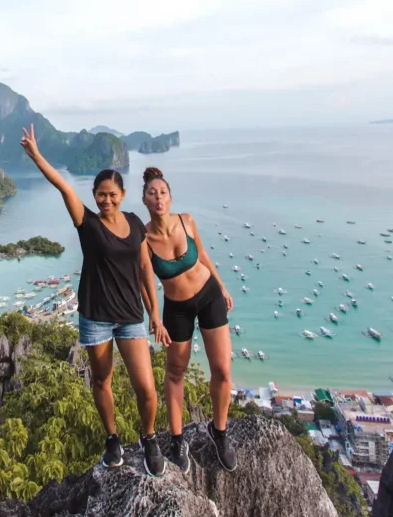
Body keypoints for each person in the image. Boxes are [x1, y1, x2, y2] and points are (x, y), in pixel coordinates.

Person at [20, 125, 169, 477]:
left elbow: (146, 270)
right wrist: (37, 156)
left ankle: (149, 438)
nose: (106, 200)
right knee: (102, 380)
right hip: (96, 317)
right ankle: (113, 438)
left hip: (131, 315)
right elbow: (62, 185)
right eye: (100, 195)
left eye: (112, 194)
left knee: (146, 388)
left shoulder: (135, 224)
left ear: (122, 193)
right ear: (95, 195)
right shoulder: (86, 222)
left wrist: (155, 315)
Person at [141, 167, 237, 473]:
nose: (158, 197)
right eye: (152, 193)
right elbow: (146, 282)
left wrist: (222, 287)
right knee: (175, 373)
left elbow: (203, 255)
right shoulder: (143, 240)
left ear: (170, 197)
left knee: (222, 369)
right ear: (144, 199)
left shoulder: (187, 220)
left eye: (163, 192)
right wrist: (155, 317)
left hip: (208, 295)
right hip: (177, 309)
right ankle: (177, 438)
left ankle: (219, 432)